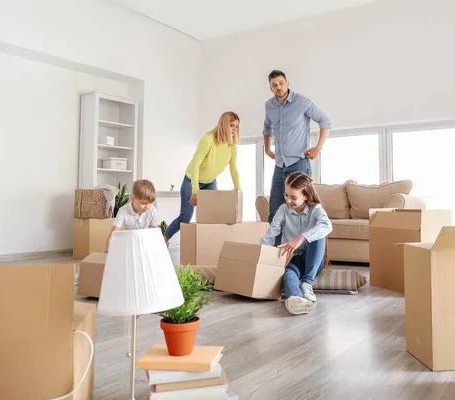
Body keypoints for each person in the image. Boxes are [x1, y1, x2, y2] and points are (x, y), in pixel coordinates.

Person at [263, 70, 332, 230]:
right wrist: (267, 149)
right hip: (280, 165)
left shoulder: (302, 102)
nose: (278, 87)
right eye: (274, 85)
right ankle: (276, 253)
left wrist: (317, 148)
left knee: (304, 211)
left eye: (281, 83)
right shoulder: (269, 106)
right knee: (274, 211)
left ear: (287, 83)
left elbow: (325, 121)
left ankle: (305, 251)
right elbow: (267, 128)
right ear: (271, 88)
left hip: (299, 163)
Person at [260, 172, 332, 315]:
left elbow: (327, 226)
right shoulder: (283, 210)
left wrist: (301, 238)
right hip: (290, 258)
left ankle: (307, 283)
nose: (288, 200)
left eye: (293, 197)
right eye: (286, 195)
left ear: (306, 196)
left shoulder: (316, 209)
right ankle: (296, 299)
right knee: (288, 275)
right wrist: (260, 257)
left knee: (319, 235)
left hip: (313, 261)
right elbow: (270, 235)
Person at [163, 111, 241, 244]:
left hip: (210, 182)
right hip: (192, 179)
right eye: (231, 125)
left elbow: (233, 169)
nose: (234, 130)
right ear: (223, 125)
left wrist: (238, 192)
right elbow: (195, 165)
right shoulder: (208, 140)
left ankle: (206, 245)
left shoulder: (232, 145)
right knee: (185, 217)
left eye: (236, 127)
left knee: (211, 216)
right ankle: (165, 239)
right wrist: (195, 191)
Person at [105, 179, 160, 252]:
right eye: (143, 203)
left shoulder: (152, 210)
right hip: (129, 245)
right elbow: (112, 235)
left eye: (150, 203)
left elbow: (156, 233)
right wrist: (108, 252)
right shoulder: (123, 211)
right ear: (133, 199)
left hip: (146, 245)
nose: (147, 206)